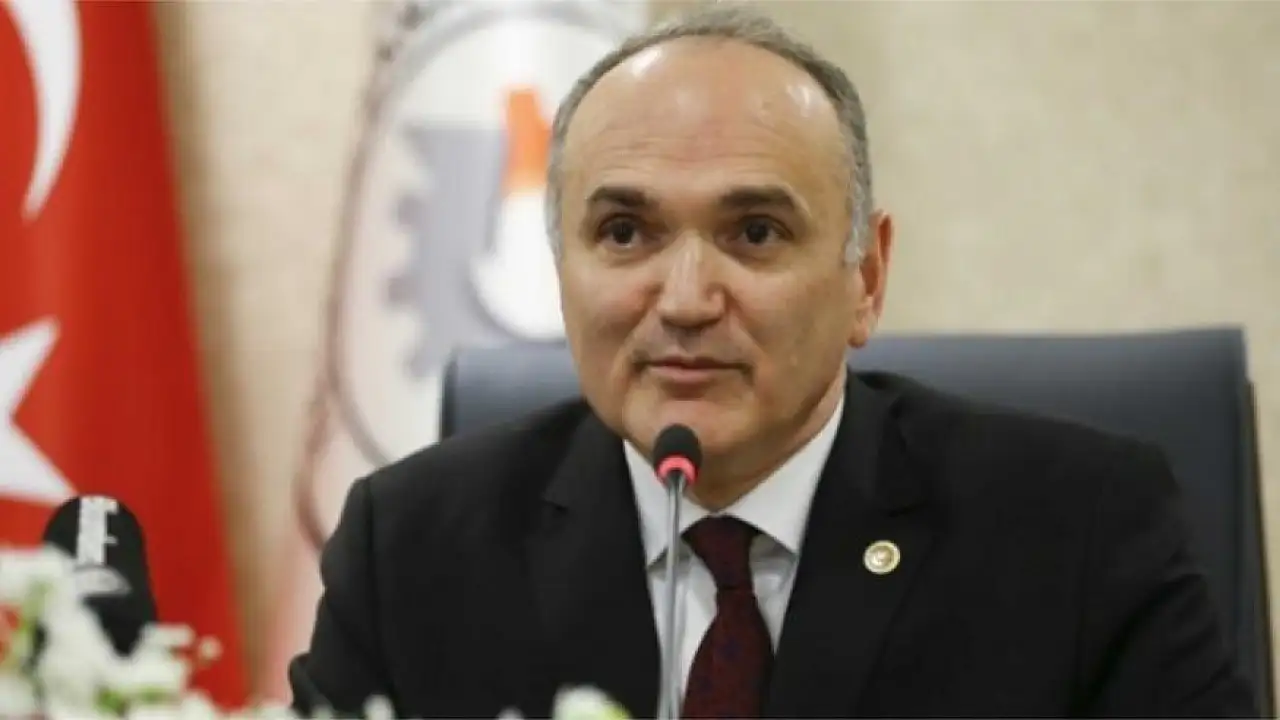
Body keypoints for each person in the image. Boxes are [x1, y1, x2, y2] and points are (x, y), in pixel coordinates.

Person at [288, 5, 1258, 718]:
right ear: (562, 271)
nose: (683, 299)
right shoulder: (409, 548)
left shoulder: (1077, 531)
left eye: (753, 232)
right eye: (624, 232)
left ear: (865, 278)